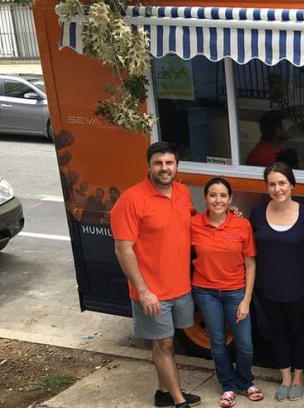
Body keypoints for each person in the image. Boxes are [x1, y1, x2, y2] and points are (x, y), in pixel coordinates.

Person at [110, 141, 201, 408]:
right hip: (152, 292)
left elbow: (190, 224)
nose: (164, 168)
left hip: (180, 286)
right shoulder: (131, 200)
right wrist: (143, 290)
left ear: (176, 166)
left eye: (169, 163)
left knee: (168, 342)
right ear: (148, 166)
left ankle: (163, 393)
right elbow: (122, 250)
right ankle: (178, 399)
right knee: (165, 344)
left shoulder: (183, 192)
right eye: (158, 163)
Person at [191, 177, 264, 407]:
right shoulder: (192, 225)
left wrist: (246, 299)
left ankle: (245, 380)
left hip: (235, 292)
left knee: (245, 343)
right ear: (205, 199)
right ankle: (228, 385)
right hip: (206, 292)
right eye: (213, 195)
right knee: (218, 342)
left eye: (223, 196)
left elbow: (251, 264)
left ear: (230, 199)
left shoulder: (242, 225)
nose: (218, 200)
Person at [249, 162, 304, 402]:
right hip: (267, 286)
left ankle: (298, 376)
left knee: (299, 331)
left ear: (292, 185)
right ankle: (285, 377)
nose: (278, 189)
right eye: (272, 184)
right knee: (277, 331)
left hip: (299, 286)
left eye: (282, 183)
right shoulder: (257, 213)